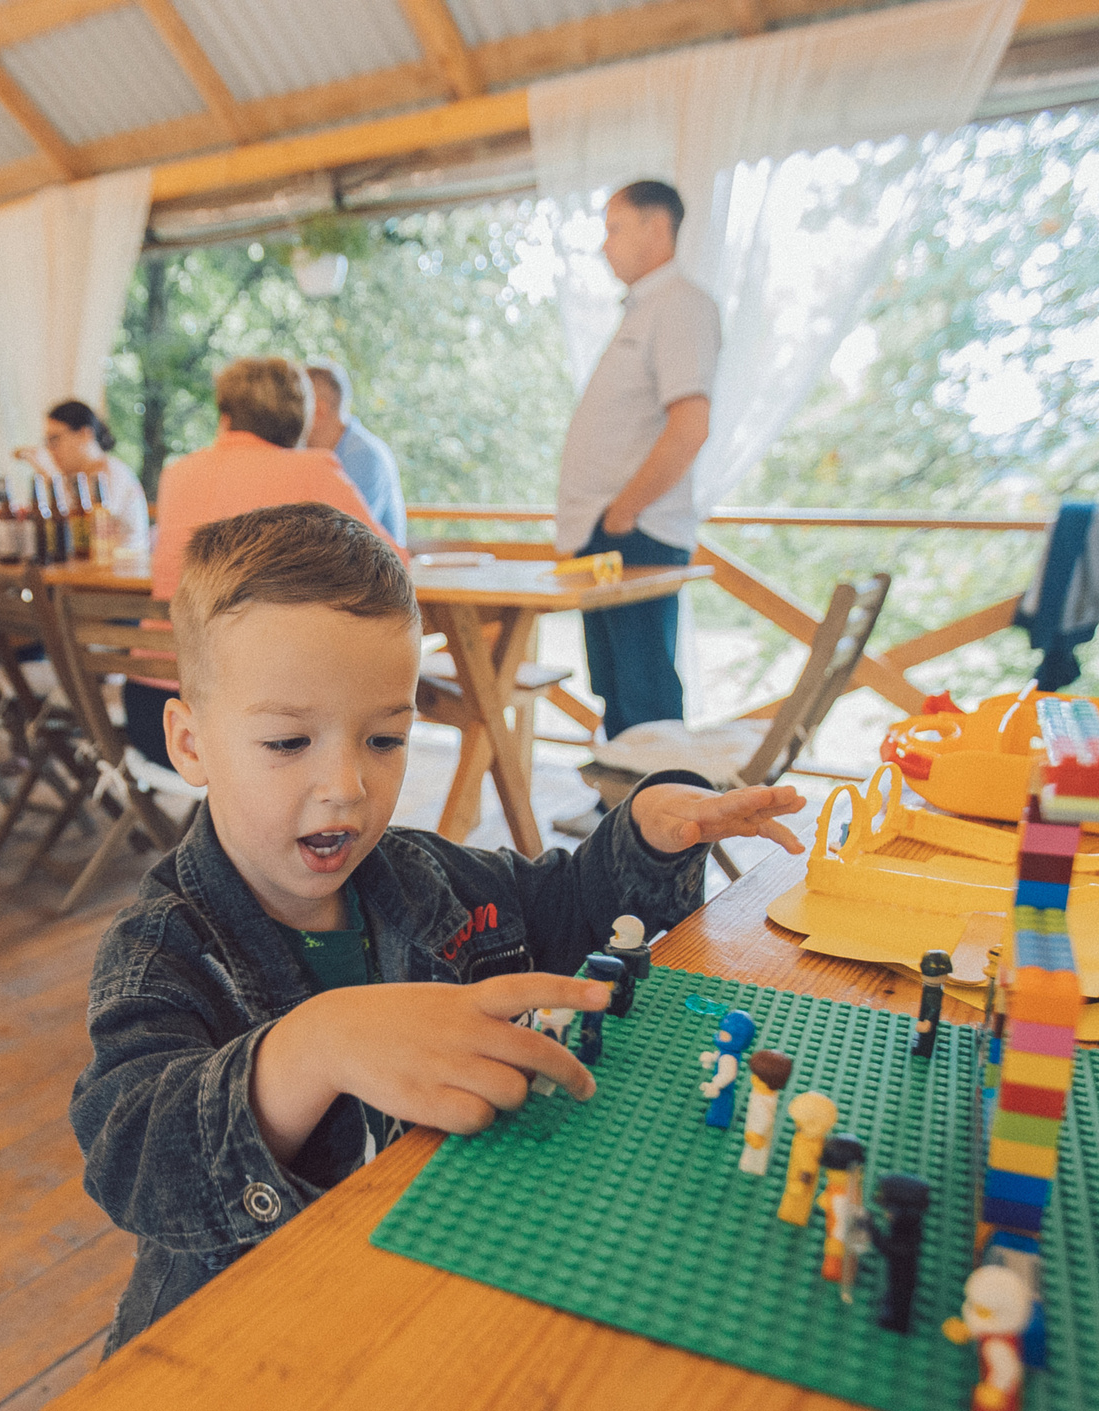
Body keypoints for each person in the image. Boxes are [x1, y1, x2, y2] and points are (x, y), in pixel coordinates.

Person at [68, 503, 804, 1349]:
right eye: (287, 742)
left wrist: (643, 832)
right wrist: (312, 1046)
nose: (345, 784)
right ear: (190, 744)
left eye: (384, 738)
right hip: (239, 1344)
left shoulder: (427, 878)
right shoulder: (161, 949)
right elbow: (130, 1153)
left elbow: (568, 911)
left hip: (432, 1284)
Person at [131, 357, 398, 764]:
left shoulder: (178, 474)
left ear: (225, 417)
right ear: (303, 418)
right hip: (263, 734)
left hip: (155, 715)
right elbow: (392, 568)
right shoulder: (313, 471)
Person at [556, 180, 720, 752]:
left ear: (657, 227)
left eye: (615, 227)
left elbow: (689, 425)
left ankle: (664, 827)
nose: (606, 245)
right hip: (609, 532)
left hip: (635, 532)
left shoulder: (679, 305)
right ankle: (621, 818)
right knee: (614, 686)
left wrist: (623, 512)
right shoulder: (644, 310)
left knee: (643, 687)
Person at [17, 399, 149, 555]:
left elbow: (92, 530)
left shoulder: (112, 472)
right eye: (47, 442)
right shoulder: (76, 479)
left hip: (123, 571)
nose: (50, 449)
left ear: (85, 434)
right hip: (92, 570)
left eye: (54, 439)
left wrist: (51, 479)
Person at [302, 361, 406, 544]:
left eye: (298, 404)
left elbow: (346, 537)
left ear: (319, 410)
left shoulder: (364, 455)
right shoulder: (321, 453)